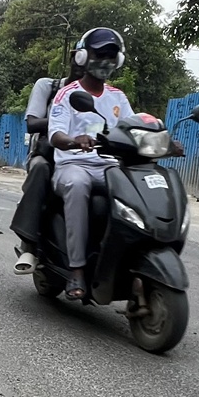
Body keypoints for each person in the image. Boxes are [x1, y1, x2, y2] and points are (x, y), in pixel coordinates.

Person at [49, 27, 135, 298]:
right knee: (77, 184)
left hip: (108, 165)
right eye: (100, 54)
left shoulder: (118, 97)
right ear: (84, 57)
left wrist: (163, 139)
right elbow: (56, 134)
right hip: (72, 166)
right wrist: (76, 140)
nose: (106, 61)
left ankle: (126, 259)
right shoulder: (68, 94)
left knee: (135, 186)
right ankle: (76, 269)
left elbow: (132, 127)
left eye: (112, 55)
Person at [12, 75, 61, 274]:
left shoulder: (109, 95)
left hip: (88, 159)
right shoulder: (50, 87)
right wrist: (66, 122)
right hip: (49, 154)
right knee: (40, 168)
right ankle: (29, 244)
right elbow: (32, 123)